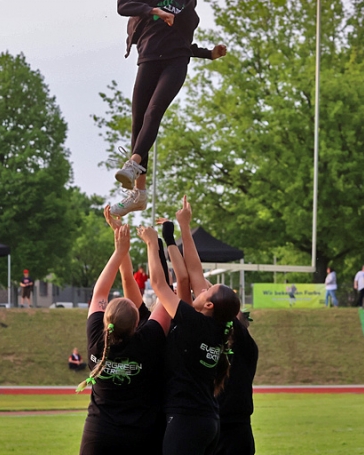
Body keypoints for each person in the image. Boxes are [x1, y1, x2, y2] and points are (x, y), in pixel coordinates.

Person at [111, 0, 227, 217]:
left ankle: (133, 163)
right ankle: (138, 196)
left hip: (175, 64)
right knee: (138, 124)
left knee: (154, 112)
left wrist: (209, 53)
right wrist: (153, 10)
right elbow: (122, 4)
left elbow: (184, 44)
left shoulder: (183, 3)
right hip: (148, 61)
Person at [143, 195, 241, 455]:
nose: (203, 287)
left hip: (186, 421)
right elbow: (192, 274)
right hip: (208, 421)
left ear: (208, 305)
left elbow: (160, 285)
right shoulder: (218, 327)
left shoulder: (195, 323)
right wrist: (179, 230)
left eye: (207, 291)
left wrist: (152, 245)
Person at [77, 223, 172, 455]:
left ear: (105, 319)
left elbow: (100, 292)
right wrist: (151, 245)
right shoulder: (148, 341)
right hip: (141, 437)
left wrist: (120, 250)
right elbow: (164, 291)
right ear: (137, 321)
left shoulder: (97, 341)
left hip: (98, 435)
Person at [214, 310, 259, 455]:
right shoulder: (217, 348)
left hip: (235, 430)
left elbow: (225, 308)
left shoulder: (246, 348)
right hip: (214, 425)